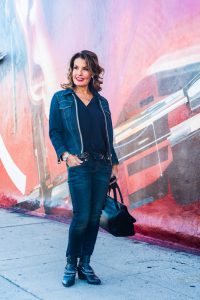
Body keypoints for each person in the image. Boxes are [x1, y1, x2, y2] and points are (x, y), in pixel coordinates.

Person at [49, 50, 119, 287]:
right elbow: (55, 132)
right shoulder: (61, 99)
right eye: (76, 68)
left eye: (85, 68)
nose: (80, 73)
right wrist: (66, 155)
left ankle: (85, 264)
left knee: (94, 218)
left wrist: (114, 163)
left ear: (93, 73)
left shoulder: (102, 102)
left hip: (101, 165)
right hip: (79, 164)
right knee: (81, 217)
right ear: (71, 71)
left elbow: (108, 135)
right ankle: (71, 263)